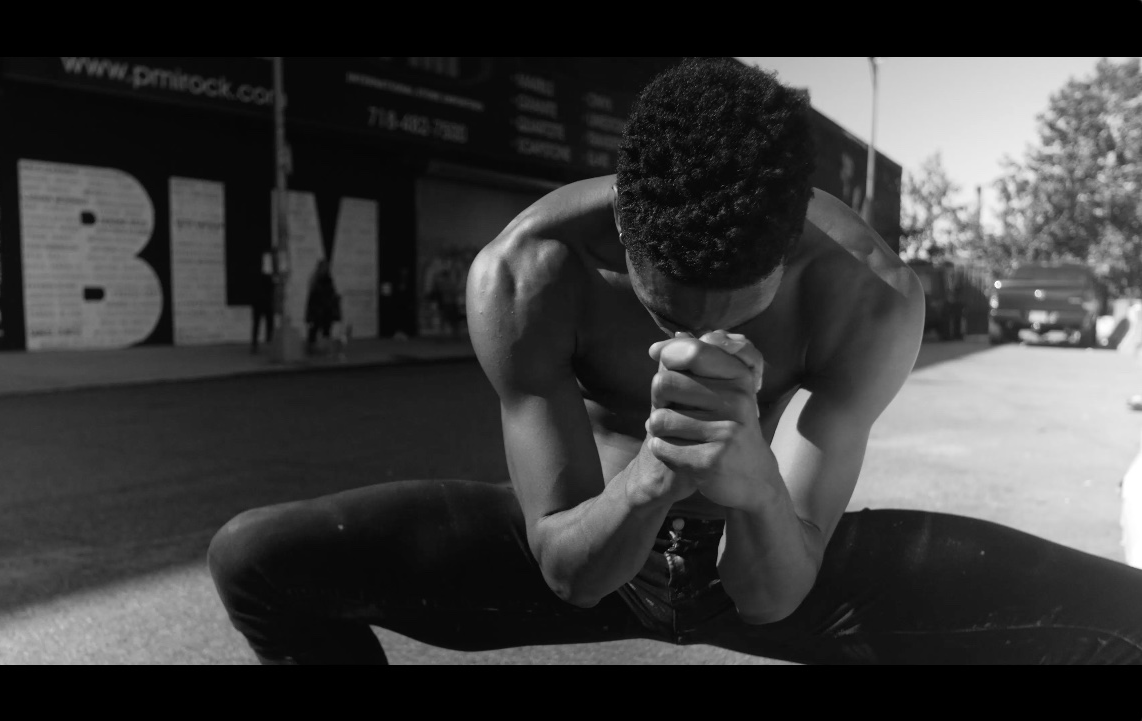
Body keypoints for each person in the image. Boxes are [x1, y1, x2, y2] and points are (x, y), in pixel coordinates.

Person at [208, 58, 1142, 664]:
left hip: (773, 546)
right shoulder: (528, 271)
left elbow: (775, 594)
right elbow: (568, 570)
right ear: (622, 225)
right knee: (256, 556)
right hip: (594, 540)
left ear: (790, 250)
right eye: (661, 309)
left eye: (739, 315)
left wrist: (753, 483)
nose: (691, 340)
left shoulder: (868, 292)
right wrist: (656, 472)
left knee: (1123, 614)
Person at [305, 258, 341, 356]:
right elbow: (312, 299)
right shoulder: (316, 281)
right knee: (314, 330)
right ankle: (312, 349)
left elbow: (331, 295)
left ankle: (323, 349)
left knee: (326, 330)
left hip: (326, 310)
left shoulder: (328, 280)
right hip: (318, 310)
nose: (326, 269)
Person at [249, 264, 275, 354]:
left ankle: (255, 344)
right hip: (266, 303)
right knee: (269, 323)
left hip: (257, 303)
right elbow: (272, 289)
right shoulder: (268, 278)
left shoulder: (254, 278)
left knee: (256, 324)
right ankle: (269, 340)